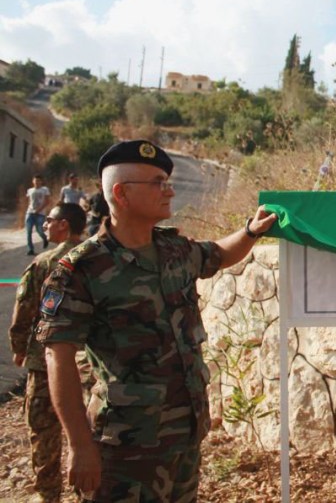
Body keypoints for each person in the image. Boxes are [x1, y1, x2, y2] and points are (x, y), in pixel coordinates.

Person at [35, 140, 277, 502]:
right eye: (157, 182)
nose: (170, 190)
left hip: (184, 437)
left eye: (167, 181)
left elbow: (219, 254)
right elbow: (59, 357)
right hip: (123, 449)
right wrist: (80, 445)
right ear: (121, 193)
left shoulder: (174, 250)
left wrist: (251, 231)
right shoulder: (81, 269)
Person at [9, 202, 89, 503]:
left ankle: (48, 493)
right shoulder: (98, 257)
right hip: (91, 364)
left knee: (43, 430)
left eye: (49, 220)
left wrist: (19, 347)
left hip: (47, 362)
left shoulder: (46, 261)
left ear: (64, 225)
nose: (45, 225)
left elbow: (25, 309)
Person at [25, 174, 51, 256]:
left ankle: (45, 239)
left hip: (40, 214)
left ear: (41, 181)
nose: (37, 182)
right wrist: (29, 210)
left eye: (38, 180)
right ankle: (30, 249)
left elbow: (47, 201)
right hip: (30, 213)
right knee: (28, 232)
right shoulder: (30, 190)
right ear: (33, 181)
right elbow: (29, 201)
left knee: (40, 230)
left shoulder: (44, 189)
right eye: (35, 180)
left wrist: (39, 210)